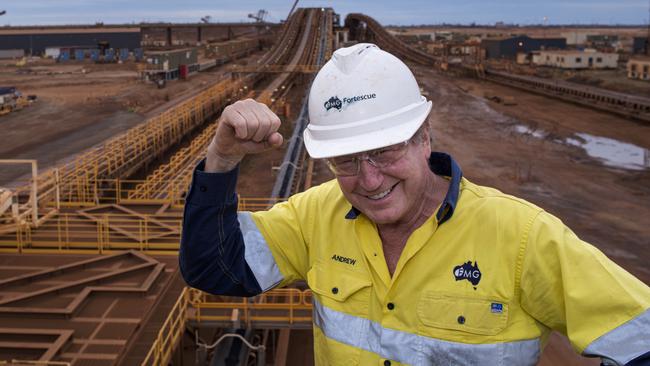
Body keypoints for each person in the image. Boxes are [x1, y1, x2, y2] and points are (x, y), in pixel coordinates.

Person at [180, 43, 650, 365]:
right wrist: (221, 160)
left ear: (424, 138)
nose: (368, 179)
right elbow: (213, 267)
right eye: (345, 160)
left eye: (385, 151)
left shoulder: (521, 237)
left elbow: (641, 336)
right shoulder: (315, 215)